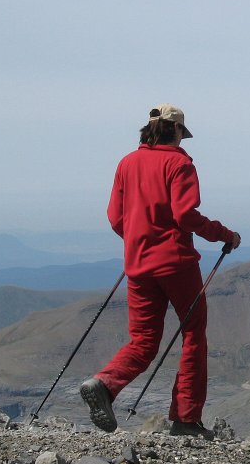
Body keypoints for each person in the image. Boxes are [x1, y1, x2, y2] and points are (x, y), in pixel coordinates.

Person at [80, 103, 240, 440]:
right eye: (183, 132)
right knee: (193, 335)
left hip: (137, 265)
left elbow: (115, 218)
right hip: (177, 264)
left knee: (144, 341)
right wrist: (225, 235)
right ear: (177, 131)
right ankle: (185, 419)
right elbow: (185, 215)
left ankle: (105, 384)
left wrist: (141, 239)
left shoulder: (127, 163)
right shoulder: (179, 163)